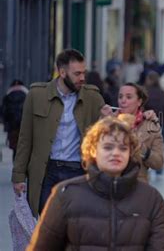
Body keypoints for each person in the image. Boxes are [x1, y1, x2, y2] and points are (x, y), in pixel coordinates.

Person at [28, 117, 164, 250]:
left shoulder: (150, 199)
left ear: (130, 153)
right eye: (108, 147)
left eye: (123, 148)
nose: (116, 153)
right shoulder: (66, 194)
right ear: (93, 150)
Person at [11, 49, 106, 217]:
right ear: (62, 72)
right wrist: (18, 176)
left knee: (74, 223)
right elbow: (25, 138)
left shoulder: (93, 97)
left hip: (78, 171)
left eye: (84, 73)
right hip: (46, 172)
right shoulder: (36, 95)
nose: (82, 78)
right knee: (48, 223)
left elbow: (106, 133)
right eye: (77, 74)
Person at [117, 83, 164, 182]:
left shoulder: (151, 126)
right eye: (120, 96)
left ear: (139, 102)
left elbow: (158, 163)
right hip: (111, 185)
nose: (123, 100)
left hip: (138, 186)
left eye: (129, 97)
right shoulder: (108, 122)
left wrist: (142, 149)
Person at [2, 80, 28, 160]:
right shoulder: (27, 95)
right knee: (24, 147)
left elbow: (4, 112)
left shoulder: (7, 96)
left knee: (15, 148)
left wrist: (6, 127)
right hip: (24, 126)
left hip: (12, 127)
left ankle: (16, 164)